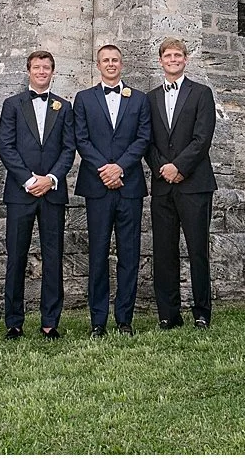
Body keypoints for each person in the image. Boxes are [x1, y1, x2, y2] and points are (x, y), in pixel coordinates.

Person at [70, 42, 150, 336]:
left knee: (129, 254)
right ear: (98, 64)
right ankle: (98, 320)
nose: (111, 64)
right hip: (97, 185)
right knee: (98, 253)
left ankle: (124, 319)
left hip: (129, 186)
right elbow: (81, 139)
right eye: (105, 60)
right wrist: (105, 168)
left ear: (122, 64)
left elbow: (143, 138)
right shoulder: (84, 99)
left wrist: (121, 168)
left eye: (115, 60)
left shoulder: (139, 99)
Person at [0, 49, 76, 339]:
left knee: (53, 258)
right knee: (16, 257)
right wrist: (29, 180)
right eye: (37, 67)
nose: (42, 72)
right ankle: (14, 322)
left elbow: (69, 149)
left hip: (52, 193)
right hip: (21, 192)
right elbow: (6, 146)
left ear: (53, 72)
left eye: (47, 67)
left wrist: (51, 178)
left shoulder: (64, 107)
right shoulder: (12, 104)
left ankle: (50, 321)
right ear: (28, 71)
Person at [147, 36, 218, 329]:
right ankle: (168, 314)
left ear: (186, 60)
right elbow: (146, 140)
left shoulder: (201, 93)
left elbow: (203, 138)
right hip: (163, 185)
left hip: (194, 184)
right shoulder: (149, 98)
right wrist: (163, 168)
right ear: (161, 61)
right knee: (164, 251)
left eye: (178, 55)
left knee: (197, 249)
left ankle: (201, 312)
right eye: (168, 56)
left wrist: (179, 167)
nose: (173, 60)